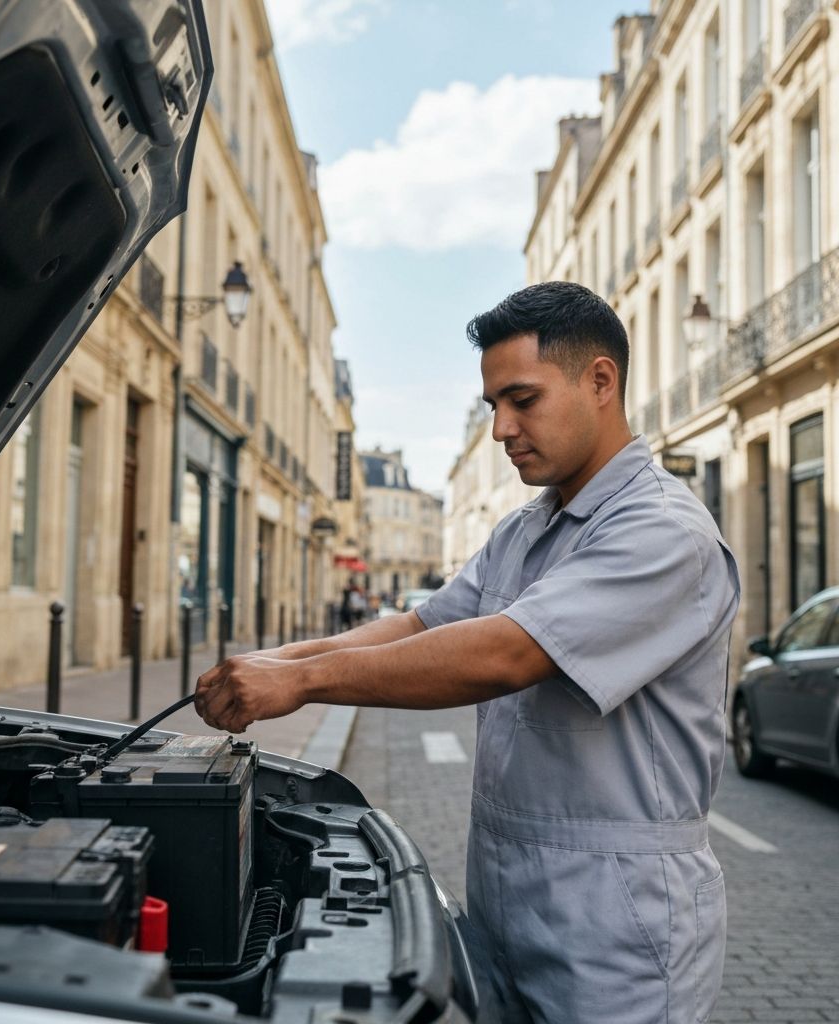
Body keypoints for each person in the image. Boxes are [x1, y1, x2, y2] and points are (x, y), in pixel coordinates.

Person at [196, 281, 739, 1023]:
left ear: (601, 381)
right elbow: (422, 627)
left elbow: (506, 654)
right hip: (506, 897)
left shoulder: (662, 530)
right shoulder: (524, 531)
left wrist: (307, 683)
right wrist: (279, 662)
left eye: (522, 399)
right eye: (493, 407)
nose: (501, 430)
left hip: (621, 919)